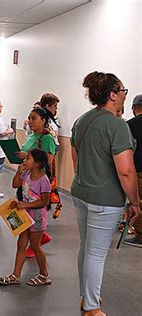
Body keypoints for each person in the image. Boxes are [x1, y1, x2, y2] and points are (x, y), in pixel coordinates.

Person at [71, 71, 140, 315]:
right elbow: (126, 171)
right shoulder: (116, 125)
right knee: (96, 253)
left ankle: (85, 297)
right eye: (123, 92)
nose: (124, 96)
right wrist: (134, 202)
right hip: (105, 200)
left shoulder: (82, 120)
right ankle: (91, 306)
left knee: (85, 247)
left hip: (80, 193)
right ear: (112, 95)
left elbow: (75, 157)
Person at [0, 149, 52, 286]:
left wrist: (26, 204)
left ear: (37, 164)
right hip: (24, 215)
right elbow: (15, 184)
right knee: (21, 244)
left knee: (35, 245)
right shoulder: (26, 174)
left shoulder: (44, 181)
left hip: (37, 216)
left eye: (28, 158)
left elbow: (44, 201)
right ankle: (15, 275)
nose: (24, 160)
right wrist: (18, 172)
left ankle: (44, 274)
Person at [16, 108, 55, 258]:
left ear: (43, 120)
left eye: (34, 118)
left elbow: (48, 160)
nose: (30, 121)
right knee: (24, 210)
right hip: (26, 179)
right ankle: (34, 238)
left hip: (37, 183)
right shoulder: (31, 136)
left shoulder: (47, 138)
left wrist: (26, 156)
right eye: (29, 118)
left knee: (35, 212)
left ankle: (36, 241)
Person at [124, 94, 142, 247]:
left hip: (138, 168)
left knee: (139, 202)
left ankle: (140, 235)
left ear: (134, 108)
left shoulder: (129, 125)